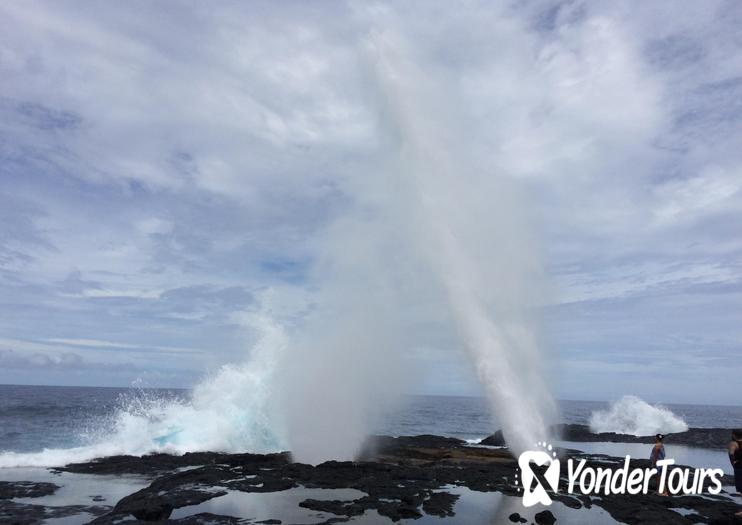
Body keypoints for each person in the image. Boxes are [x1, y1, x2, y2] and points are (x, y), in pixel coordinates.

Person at [729, 429, 742, 516]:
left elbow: (731, 454)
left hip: (740, 468)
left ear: (734, 435)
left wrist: (733, 464)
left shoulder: (734, 443)